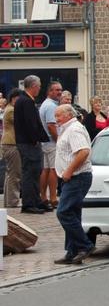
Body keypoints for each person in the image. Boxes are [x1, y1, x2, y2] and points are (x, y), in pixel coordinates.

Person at [53, 104, 95, 265]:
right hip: (72, 177)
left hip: (77, 176)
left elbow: (83, 151)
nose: (56, 119)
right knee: (73, 213)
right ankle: (72, 251)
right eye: (55, 116)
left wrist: (69, 170)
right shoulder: (67, 129)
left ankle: (85, 245)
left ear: (69, 115)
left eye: (59, 116)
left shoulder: (74, 129)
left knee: (63, 212)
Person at [14, 75, 50, 214]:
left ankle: (35, 201)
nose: (39, 89)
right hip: (29, 143)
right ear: (33, 86)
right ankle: (29, 203)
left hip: (27, 142)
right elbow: (31, 124)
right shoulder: (26, 101)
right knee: (30, 172)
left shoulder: (23, 100)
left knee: (35, 172)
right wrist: (35, 139)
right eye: (39, 86)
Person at [39, 81, 62, 210]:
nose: (59, 92)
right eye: (56, 90)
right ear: (49, 92)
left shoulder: (45, 104)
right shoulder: (51, 106)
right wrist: (59, 141)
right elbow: (51, 125)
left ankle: (44, 197)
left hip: (45, 142)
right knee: (53, 169)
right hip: (51, 142)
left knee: (46, 169)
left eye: (60, 90)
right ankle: (53, 198)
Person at [2, 89, 23, 207]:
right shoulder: (11, 110)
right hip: (11, 144)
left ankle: (9, 200)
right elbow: (21, 123)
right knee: (15, 173)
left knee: (10, 173)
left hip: (8, 144)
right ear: (13, 98)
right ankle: (13, 201)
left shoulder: (9, 109)